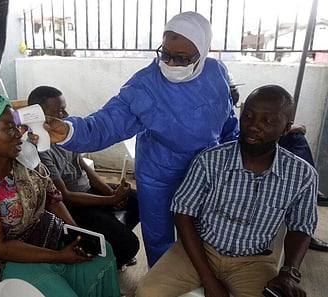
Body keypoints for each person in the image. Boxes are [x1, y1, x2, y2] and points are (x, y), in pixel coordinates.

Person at [43, 11, 239, 266]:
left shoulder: (215, 73)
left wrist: (234, 158)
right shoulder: (145, 85)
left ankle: (203, 275)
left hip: (206, 169)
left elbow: (228, 121)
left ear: (202, 53)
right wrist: (70, 131)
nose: (171, 63)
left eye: (182, 58)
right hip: (160, 172)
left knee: (207, 226)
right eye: (165, 54)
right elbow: (106, 123)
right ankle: (163, 279)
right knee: (159, 232)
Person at [136, 85, 318, 297]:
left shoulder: (302, 175)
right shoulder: (210, 160)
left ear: (286, 129)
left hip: (253, 261)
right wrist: (208, 278)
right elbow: (183, 215)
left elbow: (301, 226)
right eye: (248, 116)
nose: (253, 126)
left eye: (268, 121)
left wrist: (289, 272)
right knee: (147, 291)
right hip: (200, 250)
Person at [0, 93, 121, 297]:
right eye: (10, 127)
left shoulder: (25, 160)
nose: (19, 133)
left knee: (101, 254)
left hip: (40, 236)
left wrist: (77, 235)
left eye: (17, 126)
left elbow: (53, 198)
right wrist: (59, 256)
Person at [28, 85, 140, 269]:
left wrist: (112, 194)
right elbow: (65, 195)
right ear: (40, 116)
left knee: (137, 200)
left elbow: (84, 167)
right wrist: (110, 199)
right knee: (130, 245)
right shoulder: (39, 148)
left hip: (88, 192)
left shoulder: (62, 135)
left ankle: (113, 242)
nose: (65, 115)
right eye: (58, 112)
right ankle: (108, 263)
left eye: (64, 108)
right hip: (75, 205)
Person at [229, 76, 328, 252]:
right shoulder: (220, 111)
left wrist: (287, 128)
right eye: (231, 92)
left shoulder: (233, 109)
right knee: (291, 137)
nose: (234, 95)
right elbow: (234, 134)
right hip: (238, 146)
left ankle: (308, 188)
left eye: (234, 91)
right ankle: (310, 191)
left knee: (296, 139)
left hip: (262, 143)